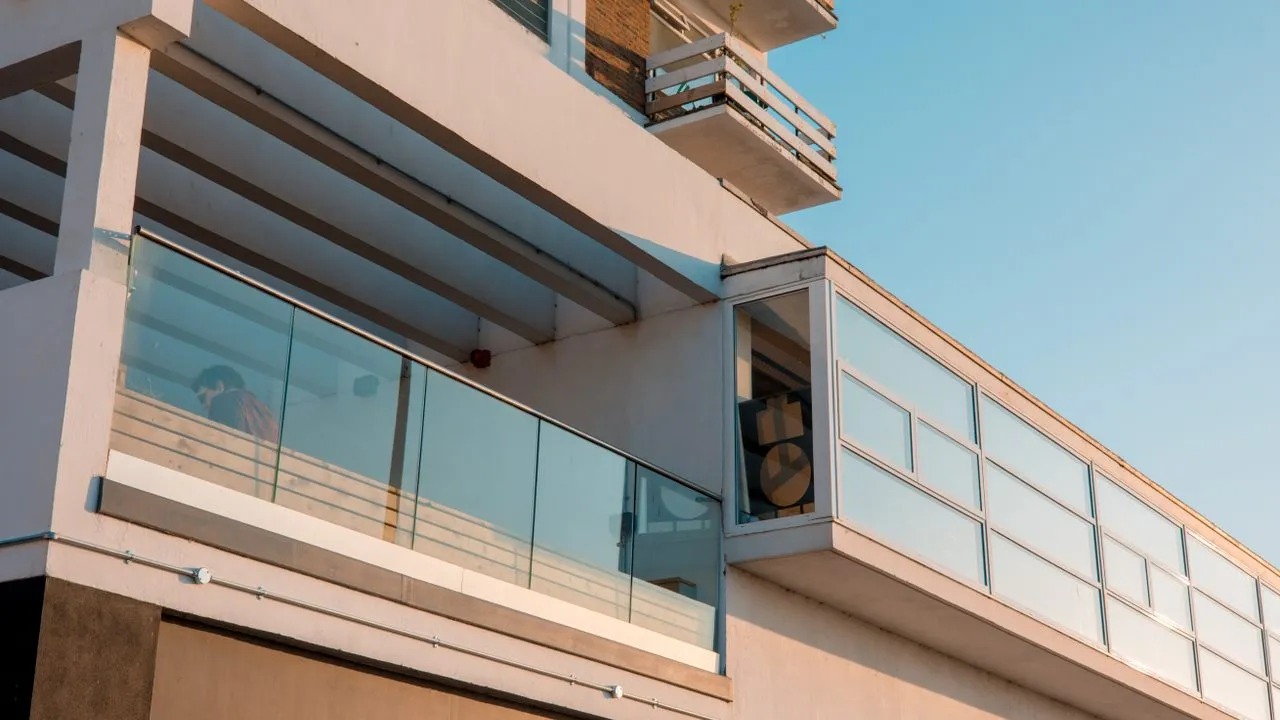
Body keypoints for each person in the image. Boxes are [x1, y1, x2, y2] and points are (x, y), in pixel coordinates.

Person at [191, 365, 281, 442]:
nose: (204, 406)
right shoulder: (265, 411)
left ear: (219, 387)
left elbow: (220, 444)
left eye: (202, 398)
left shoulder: (222, 401)